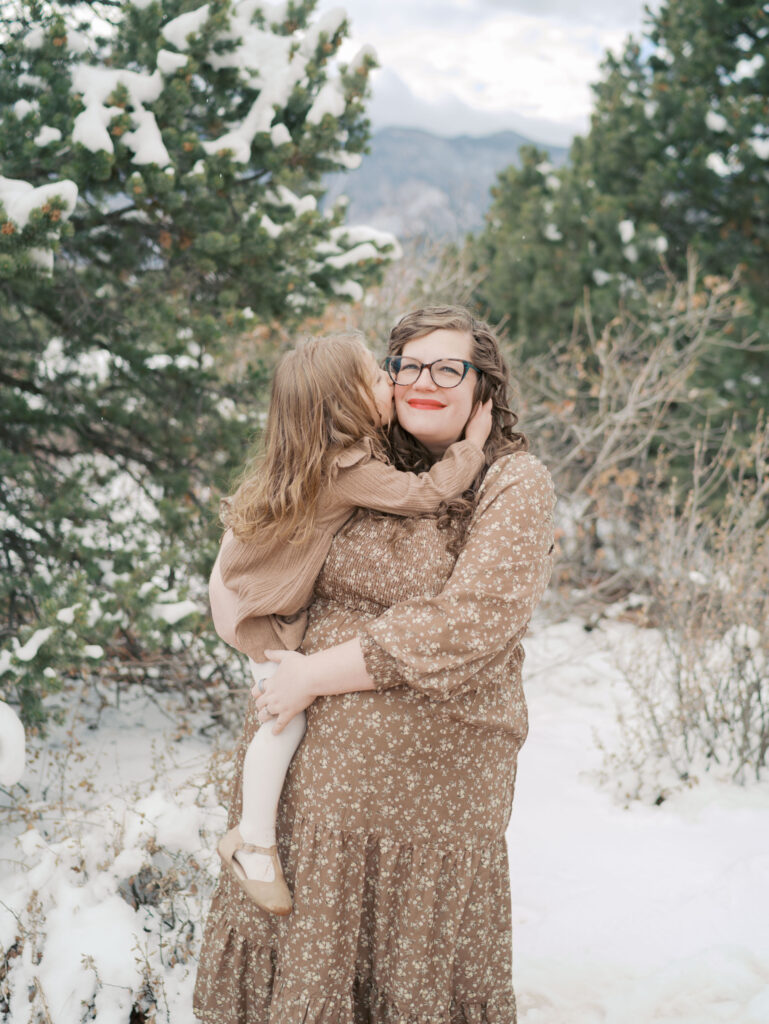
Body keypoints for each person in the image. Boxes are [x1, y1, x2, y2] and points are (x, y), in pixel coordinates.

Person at [194, 307, 556, 1024]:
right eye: (408, 365)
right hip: (309, 798)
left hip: (431, 805)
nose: (424, 381)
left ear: (483, 388)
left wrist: (312, 675)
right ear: (382, 382)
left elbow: (469, 624)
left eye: (447, 367)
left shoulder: (512, 482)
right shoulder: (347, 459)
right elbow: (253, 547)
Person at [209, 332, 493, 916]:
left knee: (278, 710)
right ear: (347, 404)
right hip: (266, 613)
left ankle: (254, 836)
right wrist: (473, 447)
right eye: (379, 378)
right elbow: (426, 494)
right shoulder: (347, 468)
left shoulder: (306, 455)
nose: (392, 384)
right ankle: (253, 842)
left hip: (254, 598)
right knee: (281, 721)